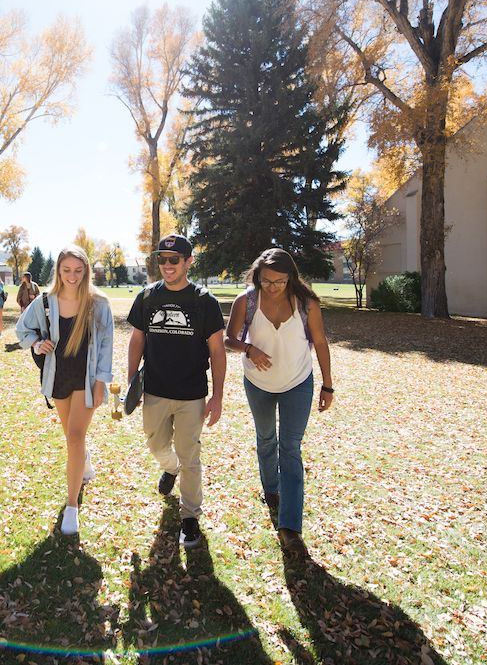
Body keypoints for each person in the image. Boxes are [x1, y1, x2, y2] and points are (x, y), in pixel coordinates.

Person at [223, 248, 334, 558]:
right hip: (258, 384)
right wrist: (248, 349)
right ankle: (271, 490)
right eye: (266, 280)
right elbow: (227, 339)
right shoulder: (247, 301)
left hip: (298, 383)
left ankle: (290, 527)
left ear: (290, 278)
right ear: (258, 275)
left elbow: (321, 342)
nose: (272, 287)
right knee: (266, 438)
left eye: (280, 281)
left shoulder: (306, 303)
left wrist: (328, 385)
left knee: (290, 447)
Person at [127, 234, 225, 549]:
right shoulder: (147, 297)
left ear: (188, 262)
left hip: (191, 393)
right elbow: (137, 340)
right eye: (162, 260)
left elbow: (217, 351)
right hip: (154, 389)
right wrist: (133, 382)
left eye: (174, 259)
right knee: (156, 445)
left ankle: (190, 518)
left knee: (190, 455)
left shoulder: (203, 301)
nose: (167, 266)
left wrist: (218, 396)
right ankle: (170, 469)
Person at [16, 246, 114, 536]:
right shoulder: (45, 302)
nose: (72, 276)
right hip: (58, 378)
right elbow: (22, 330)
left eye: (78, 270)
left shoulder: (98, 303)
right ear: (58, 271)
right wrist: (36, 343)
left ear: (86, 271)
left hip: (86, 379)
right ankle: (84, 463)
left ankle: (72, 506)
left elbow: (107, 344)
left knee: (74, 436)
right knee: (71, 436)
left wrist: (101, 381)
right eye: (66, 270)